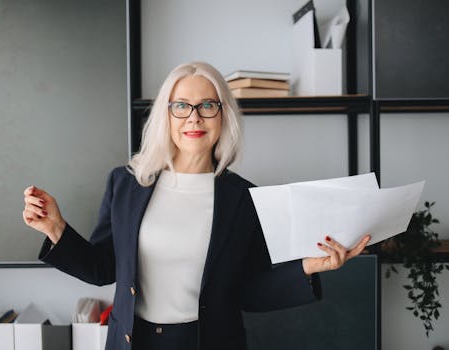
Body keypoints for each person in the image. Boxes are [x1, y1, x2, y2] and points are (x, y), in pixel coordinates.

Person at [22, 61, 371, 350]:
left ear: (223, 116)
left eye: (207, 105)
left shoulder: (245, 199)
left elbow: (249, 292)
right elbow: (103, 268)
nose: (194, 117)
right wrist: (55, 228)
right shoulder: (126, 183)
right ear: (166, 115)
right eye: (181, 106)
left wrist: (308, 267)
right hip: (132, 341)